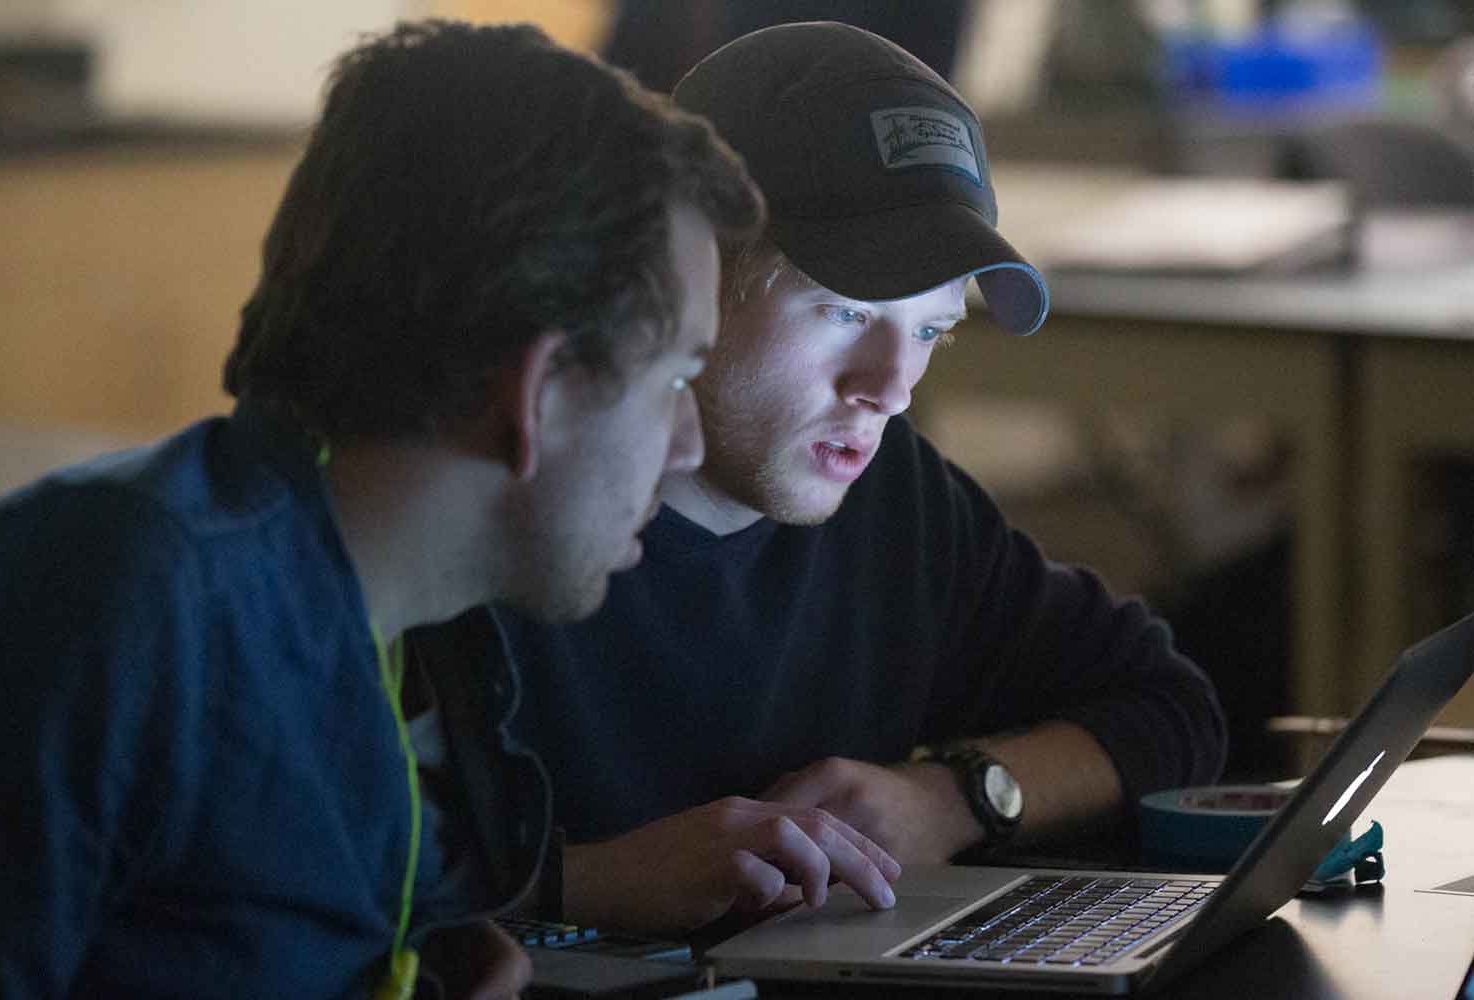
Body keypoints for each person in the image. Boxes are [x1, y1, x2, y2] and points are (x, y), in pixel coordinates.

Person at [0, 19, 873, 999]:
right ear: (540, 391)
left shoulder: (400, 642)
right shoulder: (117, 602)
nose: (690, 445)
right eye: (674, 381)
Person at [437, 21, 1228, 937]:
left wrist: (953, 799)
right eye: (845, 312)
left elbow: (1172, 712)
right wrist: (588, 881)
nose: (889, 389)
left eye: (931, 331)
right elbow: (338, 873)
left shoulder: (896, 502)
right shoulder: (484, 514)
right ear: (684, 279)